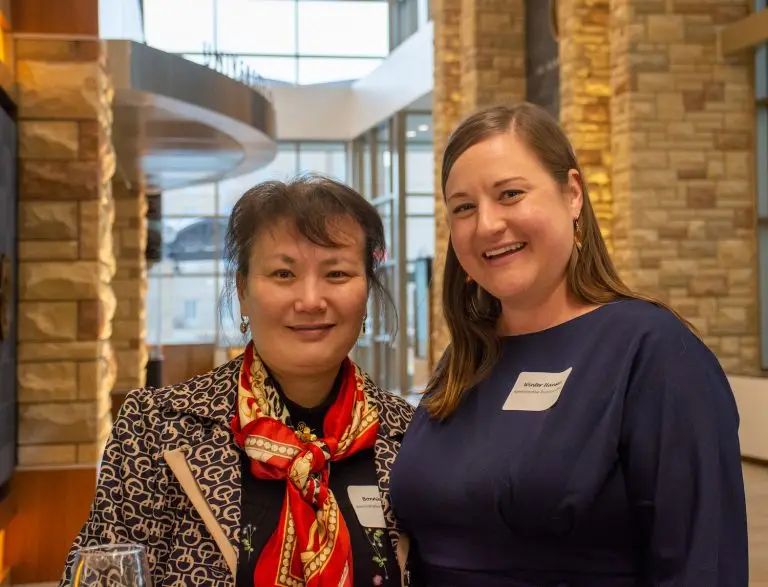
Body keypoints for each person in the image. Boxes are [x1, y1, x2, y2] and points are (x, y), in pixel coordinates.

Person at [390, 103, 748, 586]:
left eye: (510, 194)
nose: (487, 224)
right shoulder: (464, 361)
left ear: (573, 194)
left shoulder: (653, 352)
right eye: (464, 207)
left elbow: (702, 563)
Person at [60, 175, 415, 587]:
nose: (311, 300)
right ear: (243, 290)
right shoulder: (155, 429)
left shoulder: (409, 436)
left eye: (336, 274)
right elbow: (104, 574)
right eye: (283, 274)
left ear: (367, 291)